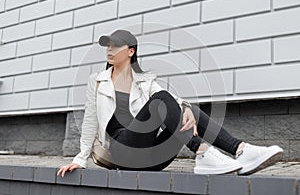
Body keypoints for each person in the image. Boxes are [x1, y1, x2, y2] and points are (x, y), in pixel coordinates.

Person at [57, 29, 283, 178]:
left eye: (115, 46)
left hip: (152, 158)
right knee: (162, 102)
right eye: (107, 46)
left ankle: (241, 150)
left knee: (187, 109)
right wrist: (80, 159)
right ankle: (202, 151)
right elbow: (90, 120)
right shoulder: (97, 81)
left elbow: (170, 99)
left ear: (131, 51)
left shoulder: (145, 80)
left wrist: (185, 109)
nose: (109, 50)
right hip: (122, 153)